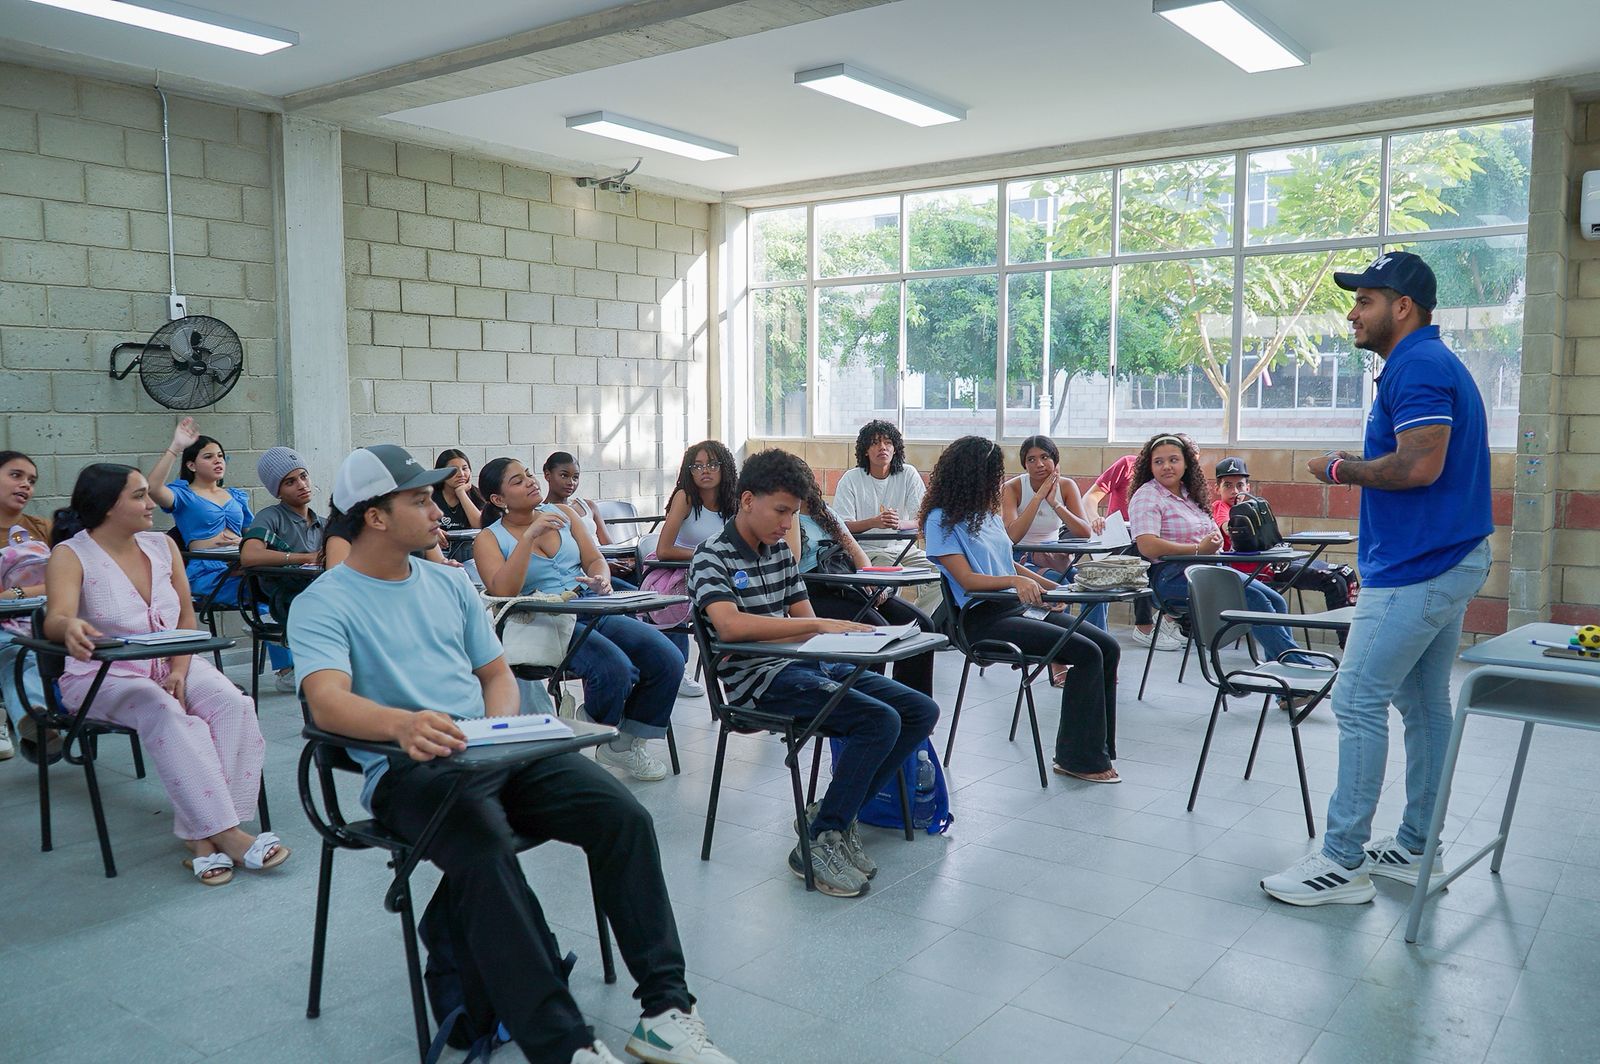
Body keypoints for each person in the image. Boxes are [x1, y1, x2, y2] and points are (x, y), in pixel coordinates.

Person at [290, 443, 735, 1064]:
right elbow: (327, 703)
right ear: (375, 517)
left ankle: (666, 1010)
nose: (437, 511)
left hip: (489, 751)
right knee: (483, 847)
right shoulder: (325, 601)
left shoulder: (447, 584)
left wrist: (493, 729)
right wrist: (404, 725)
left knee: (622, 817)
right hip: (407, 767)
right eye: (419, 500)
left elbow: (496, 674)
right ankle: (565, 1047)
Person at [1262, 251, 1492, 907]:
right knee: (1422, 704)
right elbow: (1419, 460)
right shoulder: (1425, 363)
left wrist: (1340, 470)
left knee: (1357, 699)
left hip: (1421, 566)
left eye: (1364, 301)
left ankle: (1341, 863)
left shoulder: (1417, 365)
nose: (1352, 314)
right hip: (1446, 557)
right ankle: (1417, 844)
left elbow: (1419, 466)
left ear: (1403, 306)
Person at [689, 448, 939, 898]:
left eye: (793, 513)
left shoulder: (778, 554)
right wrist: (821, 626)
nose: (788, 523)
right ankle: (821, 839)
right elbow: (730, 626)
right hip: (759, 683)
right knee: (879, 721)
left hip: (804, 665)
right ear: (747, 500)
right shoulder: (711, 556)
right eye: (781, 511)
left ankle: (833, 816)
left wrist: (857, 639)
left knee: (920, 710)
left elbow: (805, 622)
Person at [43, 463, 283, 886]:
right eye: (138, 495)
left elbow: (187, 618)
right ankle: (229, 834)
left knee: (234, 704)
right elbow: (56, 619)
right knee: (166, 712)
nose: (150, 503)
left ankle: (202, 836)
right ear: (107, 506)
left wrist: (179, 669)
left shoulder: (162, 546)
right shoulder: (71, 554)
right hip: (104, 676)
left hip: (174, 662)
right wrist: (71, 627)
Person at [920, 436, 1122, 784]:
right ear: (970, 475)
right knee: (1087, 653)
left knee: (1108, 646)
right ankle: (1078, 759)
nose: (998, 480)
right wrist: (1015, 583)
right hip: (981, 620)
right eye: (992, 473)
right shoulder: (941, 520)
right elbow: (967, 580)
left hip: (1013, 609)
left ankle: (1096, 747)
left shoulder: (985, 514)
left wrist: (1051, 588)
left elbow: (1007, 563)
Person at [474, 458, 681, 782]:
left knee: (667, 658)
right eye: (518, 481)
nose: (530, 481)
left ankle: (620, 742)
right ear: (498, 499)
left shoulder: (564, 513)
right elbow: (503, 590)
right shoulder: (488, 538)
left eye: (528, 474)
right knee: (614, 669)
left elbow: (594, 558)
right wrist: (528, 538)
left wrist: (601, 579)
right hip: (540, 618)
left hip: (588, 604)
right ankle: (598, 725)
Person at [1129, 433, 1309, 676]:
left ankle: (1283, 679)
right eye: (1158, 462)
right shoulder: (1147, 495)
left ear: (1186, 463)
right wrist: (1198, 550)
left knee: (1276, 600)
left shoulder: (1190, 494)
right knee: (1254, 600)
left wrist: (1213, 542)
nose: (1167, 466)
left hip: (1211, 569)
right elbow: (1147, 546)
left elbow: (1212, 531)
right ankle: (1298, 668)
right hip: (1171, 577)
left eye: (1173, 460)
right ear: (1150, 466)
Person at [147, 417, 295, 687]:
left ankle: (286, 657)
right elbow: (153, 488)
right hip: (207, 571)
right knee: (268, 592)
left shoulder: (236, 496)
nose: (218, 461)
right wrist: (176, 447)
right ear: (191, 465)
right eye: (208, 456)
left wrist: (243, 541)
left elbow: (255, 534)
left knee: (283, 585)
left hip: (240, 566)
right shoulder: (183, 495)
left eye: (220, 456)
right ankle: (285, 666)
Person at [786, 462, 935, 697]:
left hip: (847, 582)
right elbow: (792, 561)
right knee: (877, 631)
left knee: (921, 625)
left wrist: (870, 580)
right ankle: (871, 705)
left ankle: (910, 703)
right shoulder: (786, 518)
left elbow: (856, 552)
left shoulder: (822, 512)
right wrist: (792, 512)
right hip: (816, 589)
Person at [1210, 456, 1358, 642]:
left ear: (1248, 487)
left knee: (1346, 573)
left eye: (1240, 485)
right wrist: (1239, 524)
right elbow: (1228, 527)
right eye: (1227, 485)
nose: (1235, 491)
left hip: (1278, 560)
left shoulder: (1256, 505)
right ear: (1217, 489)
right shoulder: (1222, 508)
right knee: (1334, 581)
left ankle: (1355, 640)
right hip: (1259, 571)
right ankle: (1347, 644)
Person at [643, 441, 739, 698]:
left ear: (725, 468)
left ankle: (743, 664)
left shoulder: (734, 501)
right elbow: (664, 550)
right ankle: (679, 667)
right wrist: (707, 555)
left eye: (712, 464)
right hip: (679, 573)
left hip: (718, 573)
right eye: (697, 466)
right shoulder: (685, 497)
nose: (704, 471)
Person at [1003, 435, 1105, 648]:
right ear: (1024, 464)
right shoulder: (1012, 488)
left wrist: (1055, 503)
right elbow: (1012, 536)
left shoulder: (1066, 486)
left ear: (1055, 460)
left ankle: (1096, 645)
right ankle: (1059, 653)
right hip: (1022, 559)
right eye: (1031, 459)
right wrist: (1038, 497)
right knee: (1061, 588)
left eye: (1045, 457)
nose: (1039, 464)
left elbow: (1084, 532)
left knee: (1096, 589)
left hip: (1055, 557)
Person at [829, 420, 940, 614]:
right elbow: (841, 526)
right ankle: (897, 620)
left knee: (942, 573)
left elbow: (923, 519)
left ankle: (921, 619)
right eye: (875, 443)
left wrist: (900, 524)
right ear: (865, 450)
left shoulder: (908, 474)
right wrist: (875, 522)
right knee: (887, 585)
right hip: (869, 551)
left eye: (888, 442)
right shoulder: (851, 478)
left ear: (895, 448)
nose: (882, 447)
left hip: (905, 549)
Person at [240, 447, 326, 688]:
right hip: (285, 596)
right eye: (290, 482)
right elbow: (249, 555)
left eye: (303, 476)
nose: (301, 484)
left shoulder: (323, 523)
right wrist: (304, 558)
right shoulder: (271, 517)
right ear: (277, 490)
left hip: (319, 594)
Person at [1085, 453, 1179, 650]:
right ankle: (1144, 625)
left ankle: (1170, 618)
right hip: (1117, 540)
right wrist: (1095, 518)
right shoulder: (1128, 464)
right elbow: (1091, 497)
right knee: (1143, 550)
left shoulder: (1173, 480)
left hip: (1149, 540)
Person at [0, 451, 53, 761]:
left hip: (38, 620)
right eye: (16, 475)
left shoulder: (41, 528)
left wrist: (18, 592)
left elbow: (68, 579)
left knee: (23, 648)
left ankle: (34, 721)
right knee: (15, 649)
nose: (26, 485)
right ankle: (36, 721)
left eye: (31, 481)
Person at [432, 449, 484, 562]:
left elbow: (479, 525)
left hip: (469, 557)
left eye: (465, 468)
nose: (461, 474)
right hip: (436, 557)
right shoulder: (430, 496)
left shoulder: (476, 495)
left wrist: (461, 493)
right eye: (453, 470)